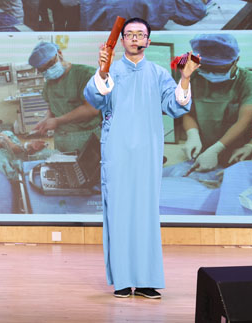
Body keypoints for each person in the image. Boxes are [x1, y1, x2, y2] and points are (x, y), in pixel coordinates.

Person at [83, 17, 198, 299]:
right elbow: (94, 98)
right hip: (117, 151)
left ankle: (146, 280)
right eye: (130, 34)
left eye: (140, 34)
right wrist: (102, 71)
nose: (135, 38)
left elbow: (175, 106)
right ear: (122, 40)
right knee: (119, 213)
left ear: (148, 40)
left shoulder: (158, 73)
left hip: (147, 153)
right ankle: (122, 280)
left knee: (146, 214)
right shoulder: (110, 70)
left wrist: (185, 78)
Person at [183, 34, 252, 172]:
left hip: (236, 150)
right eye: (206, 67)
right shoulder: (192, 78)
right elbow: (187, 112)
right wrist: (192, 135)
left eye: (219, 69)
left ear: (236, 60)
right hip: (200, 146)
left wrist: (216, 149)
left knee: (232, 180)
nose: (212, 73)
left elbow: (244, 121)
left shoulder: (250, 81)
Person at [28, 42, 100, 153]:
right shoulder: (49, 84)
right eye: (43, 70)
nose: (49, 70)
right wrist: (46, 119)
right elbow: (52, 106)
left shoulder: (86, 74)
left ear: (59, 53)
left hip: (86, 138)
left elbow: (91, 109)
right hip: (60, 139)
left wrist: (57, 121)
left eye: (51, 64)